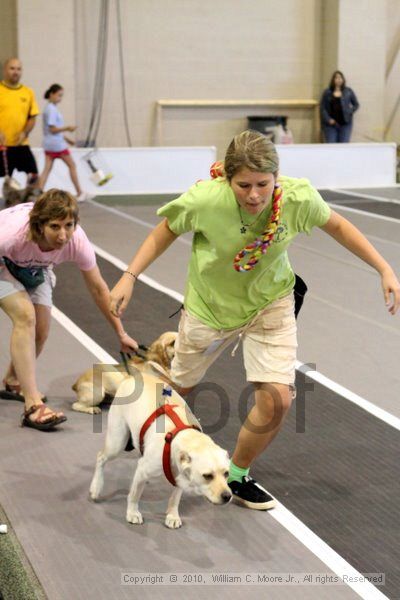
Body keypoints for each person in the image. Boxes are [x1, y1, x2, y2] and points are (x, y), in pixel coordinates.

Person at [109, 130, 400, 511]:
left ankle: (236, 474)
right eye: (243, 185)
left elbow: (339, 226)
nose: (254, 195)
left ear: (276, 177)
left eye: (263, 184)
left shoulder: (298, 198)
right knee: (179, 390)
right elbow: (164, 231)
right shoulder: (206, 200)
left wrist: (383, 268)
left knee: (278, 399)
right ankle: (148, 434)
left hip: (270, 304)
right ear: (228, 179)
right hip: (210, 309)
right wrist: (129, 276)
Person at [0, 189, 137, 431]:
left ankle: (13, 380)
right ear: (40, 225)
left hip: (36, 268)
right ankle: (33, 405)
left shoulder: (77, 241)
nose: (63, 235)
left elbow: (98, 289)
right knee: (25, 317)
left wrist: (121, 333)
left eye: (69, 225)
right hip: (3, 263)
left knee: (41, 332)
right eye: (55, 227)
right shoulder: (10, 235)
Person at [39, 84, 91, 203]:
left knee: (47, 169)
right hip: (56, 145)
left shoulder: (49, 108)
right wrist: (67, 128)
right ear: (51, 94)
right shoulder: (51, 109)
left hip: (49, 144)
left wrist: (67, 139)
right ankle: (79, 192)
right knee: (72, 165)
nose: (60, 98)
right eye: (59, 95)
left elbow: (53, 130)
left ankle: (39, 192)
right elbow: (52, 129)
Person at [0, 58, 40, 189]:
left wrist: (25, 132)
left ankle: (31, 206)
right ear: (5, 70)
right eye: (12, 68)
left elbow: (32, 117)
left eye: (18, 69)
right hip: (3, 146)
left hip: (21, 144)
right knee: (7, 182)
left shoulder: (28, 92)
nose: (15, 72)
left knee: (34, 175)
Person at [320, 70, 359, 143]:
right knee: (332, 146)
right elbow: (323, 108)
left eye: (340, 77)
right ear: (333, 80)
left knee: (343, 147)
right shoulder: (327, 92)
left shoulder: (348, 91)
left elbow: (356, 104)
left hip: (345, 124)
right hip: (331, 126)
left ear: (343, 79)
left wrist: (349, 111)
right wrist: (328, 119)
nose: (338, 79)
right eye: (336, 78)